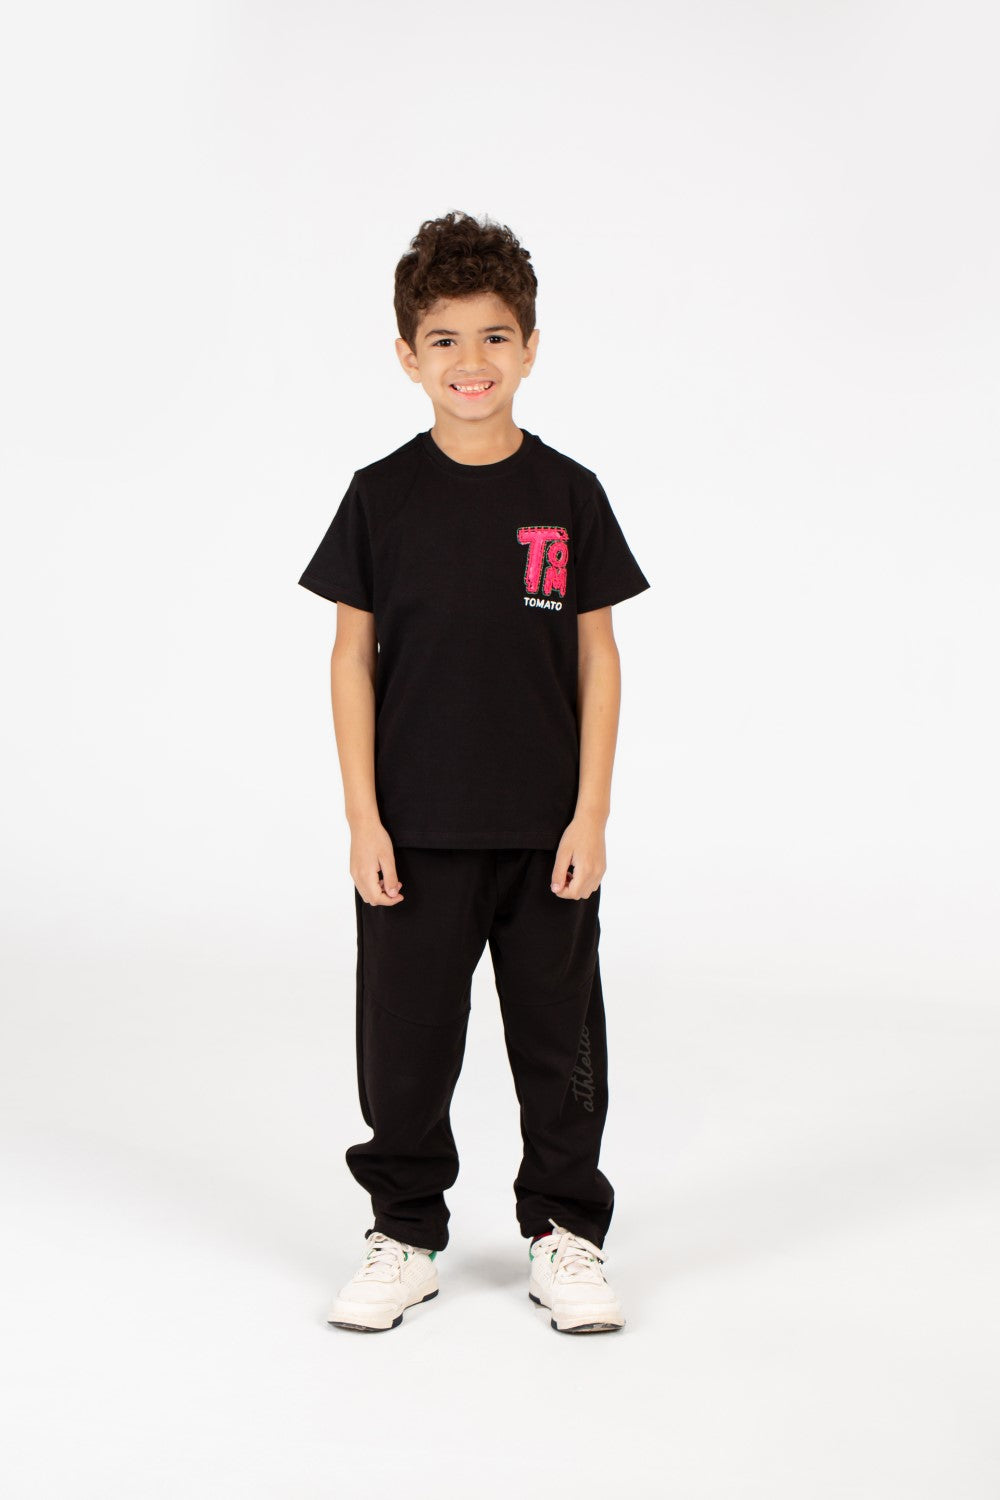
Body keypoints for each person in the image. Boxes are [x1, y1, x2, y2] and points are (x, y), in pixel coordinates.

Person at [297, 210, 651, 1334]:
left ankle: (566, 1232)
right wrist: (364, 820)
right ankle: (404, 1233)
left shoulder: (569, 495)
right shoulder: (380, 496)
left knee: (561, 1044)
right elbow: (349, 661)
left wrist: (591, 814)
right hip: (415, 832)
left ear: (530, 348)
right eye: (444, 339)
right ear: (408, 355)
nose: (472, 361)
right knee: (405, 1047)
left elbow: (598, 659)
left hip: (547, 834)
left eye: (495, 336)